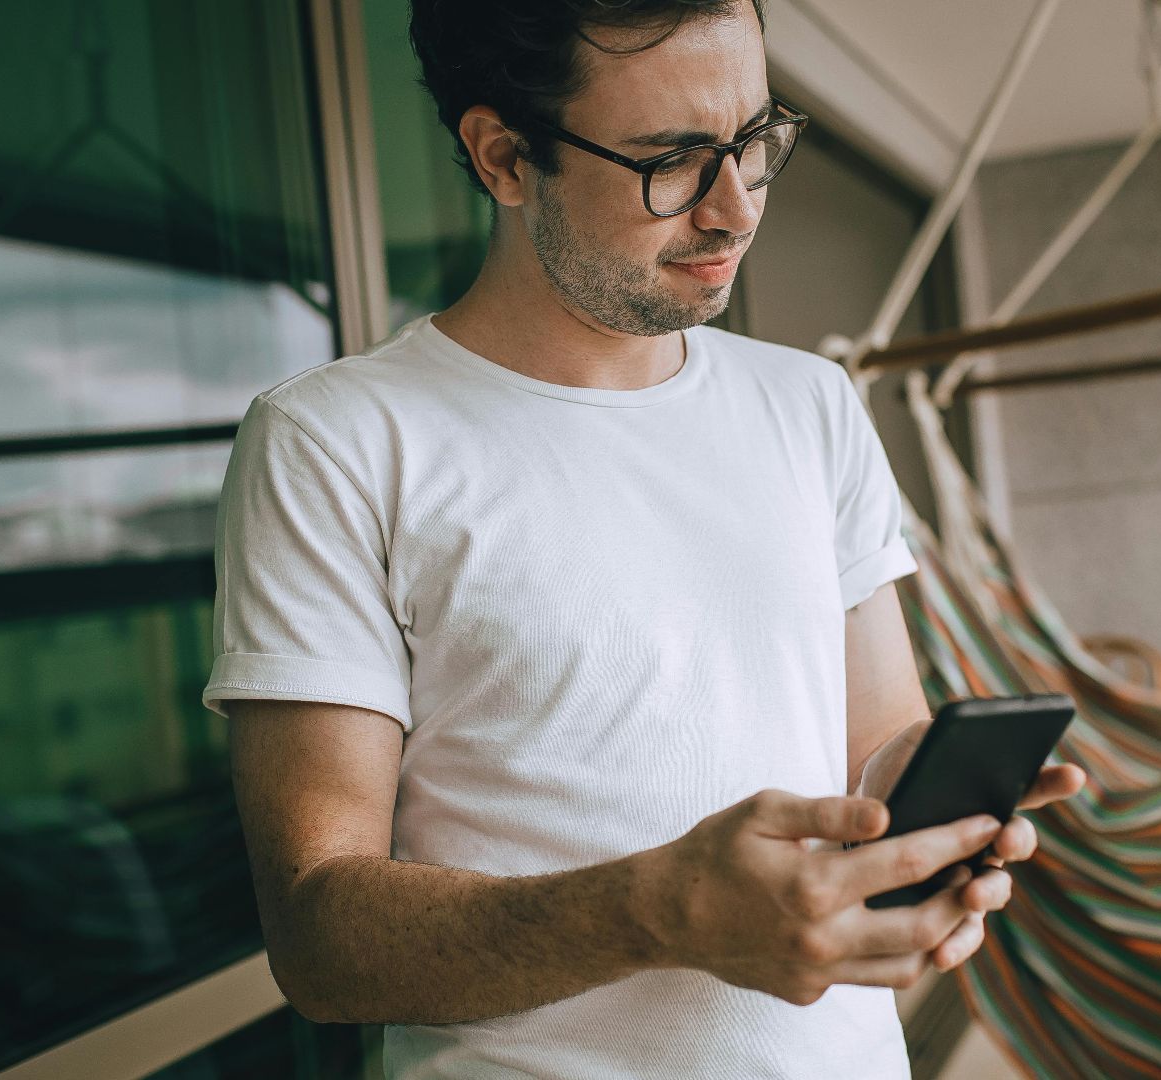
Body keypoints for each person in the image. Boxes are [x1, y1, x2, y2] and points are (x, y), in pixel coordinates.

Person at [202, 0, 1085, 1076]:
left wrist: (931, 823)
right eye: (671, 161)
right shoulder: (334, 442)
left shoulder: (811, 404)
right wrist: (655, 911)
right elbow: (320, 942)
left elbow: (877, 740)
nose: (733, 210)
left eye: (754, 144)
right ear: (505, 157)